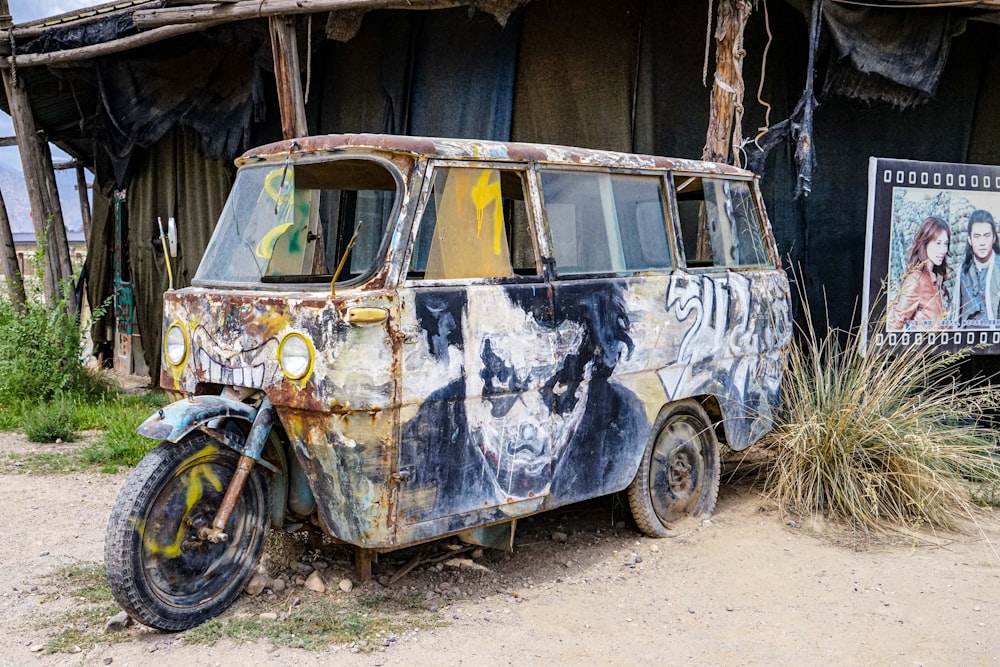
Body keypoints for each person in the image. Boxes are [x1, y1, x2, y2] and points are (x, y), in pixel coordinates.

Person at [886, 216, 951, 331]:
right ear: (925, 243)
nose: (943, 250)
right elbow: (895, 324)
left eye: (946, 244)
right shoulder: (916, 279)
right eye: (938, 243)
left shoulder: (938, 277)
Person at [956, 209, 1000, 327]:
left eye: (986, 236)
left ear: (994, 238)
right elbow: (957, 314)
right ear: (970, 240)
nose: (982, 242)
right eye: (977, 236)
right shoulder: (963, 272)